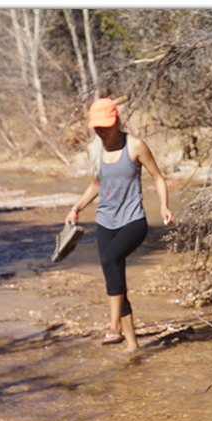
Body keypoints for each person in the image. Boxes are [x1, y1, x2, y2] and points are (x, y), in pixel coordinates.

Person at [65, 98, 174, 353]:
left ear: (116, 121)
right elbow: (96, 184)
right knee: (116, 279)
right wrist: (76, 208)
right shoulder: (94, 150)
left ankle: (114, 325)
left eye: (106, 125)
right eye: (97, 127)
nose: (102, 131)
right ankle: (132, 346)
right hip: (105, 221)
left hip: (133, 220)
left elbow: (158, 177)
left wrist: (164, 206)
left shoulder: (135, 145)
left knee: (109, 260)